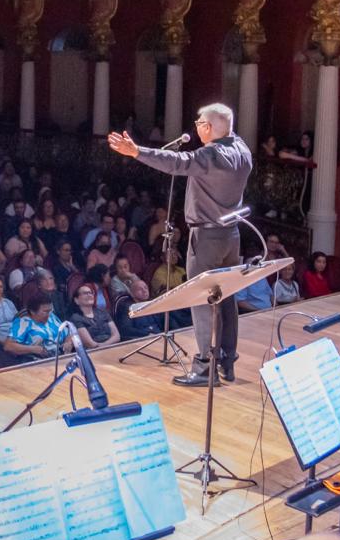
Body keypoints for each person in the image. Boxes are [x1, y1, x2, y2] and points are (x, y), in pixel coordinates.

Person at [109, 102, 253, 387]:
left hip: (207, 238)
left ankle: (203, 367)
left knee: (202, 300)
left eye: (200, 122)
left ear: (209, 127)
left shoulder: (211, 154)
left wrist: (136, 151)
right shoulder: (242, 149)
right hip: (232, 236)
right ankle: (227, 360)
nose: (196, 125)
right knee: (227, 299)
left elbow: (177, 163)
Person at [6, 292, 72, 360]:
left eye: (50, 310)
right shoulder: (22, 323)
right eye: (45, 311)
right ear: (33, 311)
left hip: (60, 358)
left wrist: (68, 342)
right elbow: (9, 346)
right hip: (37, 361)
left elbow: (69, 333)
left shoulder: (52, 317)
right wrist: (32, 349)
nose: (49, 314)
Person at [69, 283, 120, 349]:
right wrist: (103, 346)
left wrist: (104, 345)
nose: (89, 295)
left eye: (91, 293)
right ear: (76, 300)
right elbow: (90, 344)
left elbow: (117, 336)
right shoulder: (76, 318)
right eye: (85, 293)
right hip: (93, 353)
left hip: (113, 347)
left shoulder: (103, 312)